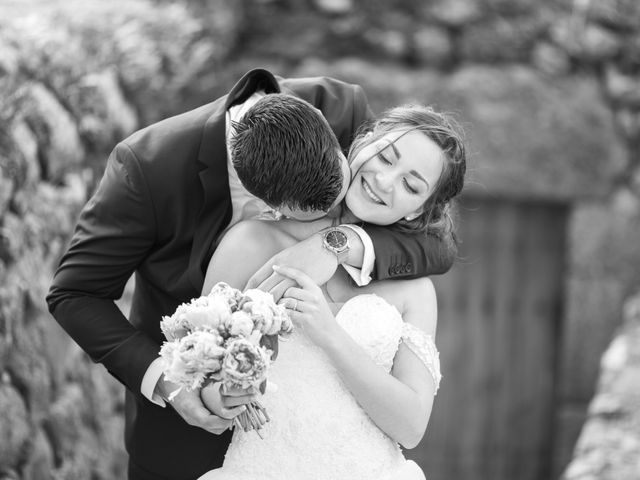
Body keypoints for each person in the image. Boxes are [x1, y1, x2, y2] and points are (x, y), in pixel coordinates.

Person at [45, 69, 456, 480]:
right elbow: (74, 293)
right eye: (319, 216)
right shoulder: (147, 168)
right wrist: (172, 382)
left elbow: (433, 235)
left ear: (339, 142)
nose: (338, 212)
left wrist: (337, 242)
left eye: (341, 186)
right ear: (267, 204)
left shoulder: (342, 112)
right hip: (189, 449)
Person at [197, 104, 467, 480]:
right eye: (386, 157)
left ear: (417, 211)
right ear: (362, 142)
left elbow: (411, 427)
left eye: (411, 185)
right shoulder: (251, 243)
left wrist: (330, 336)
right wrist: (226, 396)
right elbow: (203, 375)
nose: (386, 181)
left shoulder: (416, 290)